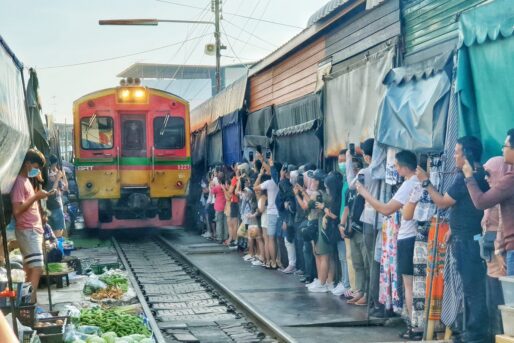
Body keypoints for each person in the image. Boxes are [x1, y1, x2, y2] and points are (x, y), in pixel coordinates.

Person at [417, 136, 489, 343]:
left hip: (467, 242)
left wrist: (425, 182)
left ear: (466, 154)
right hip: (466, 237)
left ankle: (474, 335)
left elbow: (441, 203)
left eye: (457, 152)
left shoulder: (465, 178)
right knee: (470, 288)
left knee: (471, 290)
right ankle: (468, 331)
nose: (455, 156)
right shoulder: (479, 173)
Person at [357, 150, 420, 339]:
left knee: (409, 285)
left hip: (407, 237)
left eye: (396, 166)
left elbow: (385, 209)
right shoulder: (421, 181)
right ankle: (417, 324)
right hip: (418, 237)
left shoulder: (409, 184)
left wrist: (364, 193)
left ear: (402, 167)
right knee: (415, 285)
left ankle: (414, 327)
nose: (395, 169)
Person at [463, 129, 514, 276]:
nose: (503, 150)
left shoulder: (510, 181)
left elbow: (481, 202)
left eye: (505, 146)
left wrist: (468, 177)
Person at [346, 139, 383, 313]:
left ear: (367, 157)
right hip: (383, 217)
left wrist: (348, 159)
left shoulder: (366, 172)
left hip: (370, 218)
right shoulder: (385, 170)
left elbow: (351, 183)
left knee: (371, 261)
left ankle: (373, 298)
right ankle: (374, 297)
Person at [10, 149, 50, 304]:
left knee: (29, 269)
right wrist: (36, 196)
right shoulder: (20, 182)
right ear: (27, 164)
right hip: (28, 230)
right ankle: (30, 304)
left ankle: (25, 304)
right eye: (36, 167)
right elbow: (17, 210)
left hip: (33, 229)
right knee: (37, 268)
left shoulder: (26, 180)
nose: (38, 171)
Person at [480, 156, 508, 340]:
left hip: (501, 258)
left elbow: (503, 225)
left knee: (500, 303)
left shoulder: (504, 195)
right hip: (491, 258)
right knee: (492, 303)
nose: (486, 178)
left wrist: (498, 252)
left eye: (489, 174)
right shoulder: (493, 194)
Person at [339, 157, 365, 299]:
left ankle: (364, 292)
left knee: (364, 261)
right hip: (351, 229)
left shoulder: (365, 186)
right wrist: (342, 225)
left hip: (363, 229)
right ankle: (358, 289)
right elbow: (347, 209)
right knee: (354, 260)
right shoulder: (350, 189)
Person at [254, 153, 280, 269]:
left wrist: (262, 162)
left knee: (270, 239)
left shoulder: (270, 183)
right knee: (277, 240)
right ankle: (275, 261)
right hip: (280, 213)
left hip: (271, 212)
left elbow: (255, 188)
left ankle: (272, 262)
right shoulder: (280, 182)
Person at [46, 155, 68, 237]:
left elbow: (65, 187)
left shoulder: (54, 174)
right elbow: (52, 192)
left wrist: (63, 175)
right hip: (54, 206)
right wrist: (58, 178)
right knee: (57, 231)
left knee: (56, 231)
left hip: (55, 206)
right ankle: (57, 247)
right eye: (54, 165)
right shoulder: (47, 177)